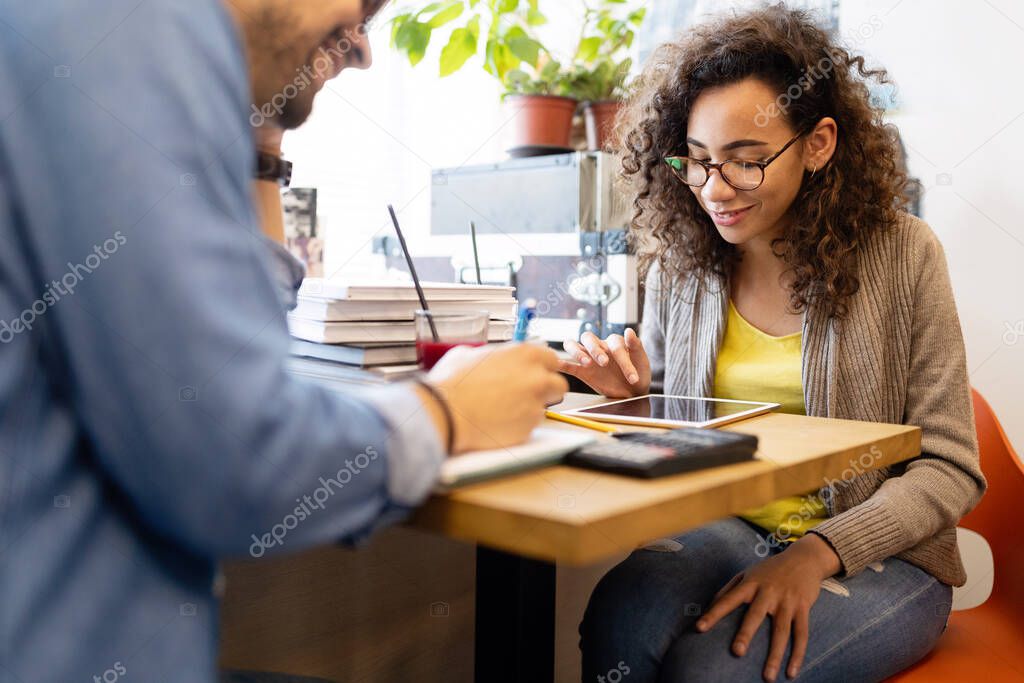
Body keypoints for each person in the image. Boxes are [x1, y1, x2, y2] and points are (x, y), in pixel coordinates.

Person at [0, 1, 567, 680]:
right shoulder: (135, 25)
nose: (363, 51)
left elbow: (236, 342)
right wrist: (446, 413)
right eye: (363, 5)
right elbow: (228, 450)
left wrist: (260, 146)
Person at [561, 6, 985, 682]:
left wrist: (817, 551)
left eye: (746, 162)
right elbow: (687, 431)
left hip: (886, 554)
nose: (714, 189)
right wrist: (636, 404)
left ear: (818, 143)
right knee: (619, 616)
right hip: (728, 527)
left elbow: (951, 466)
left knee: (711, 670)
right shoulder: (683, 267)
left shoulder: (905, 255)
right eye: (696, 163)